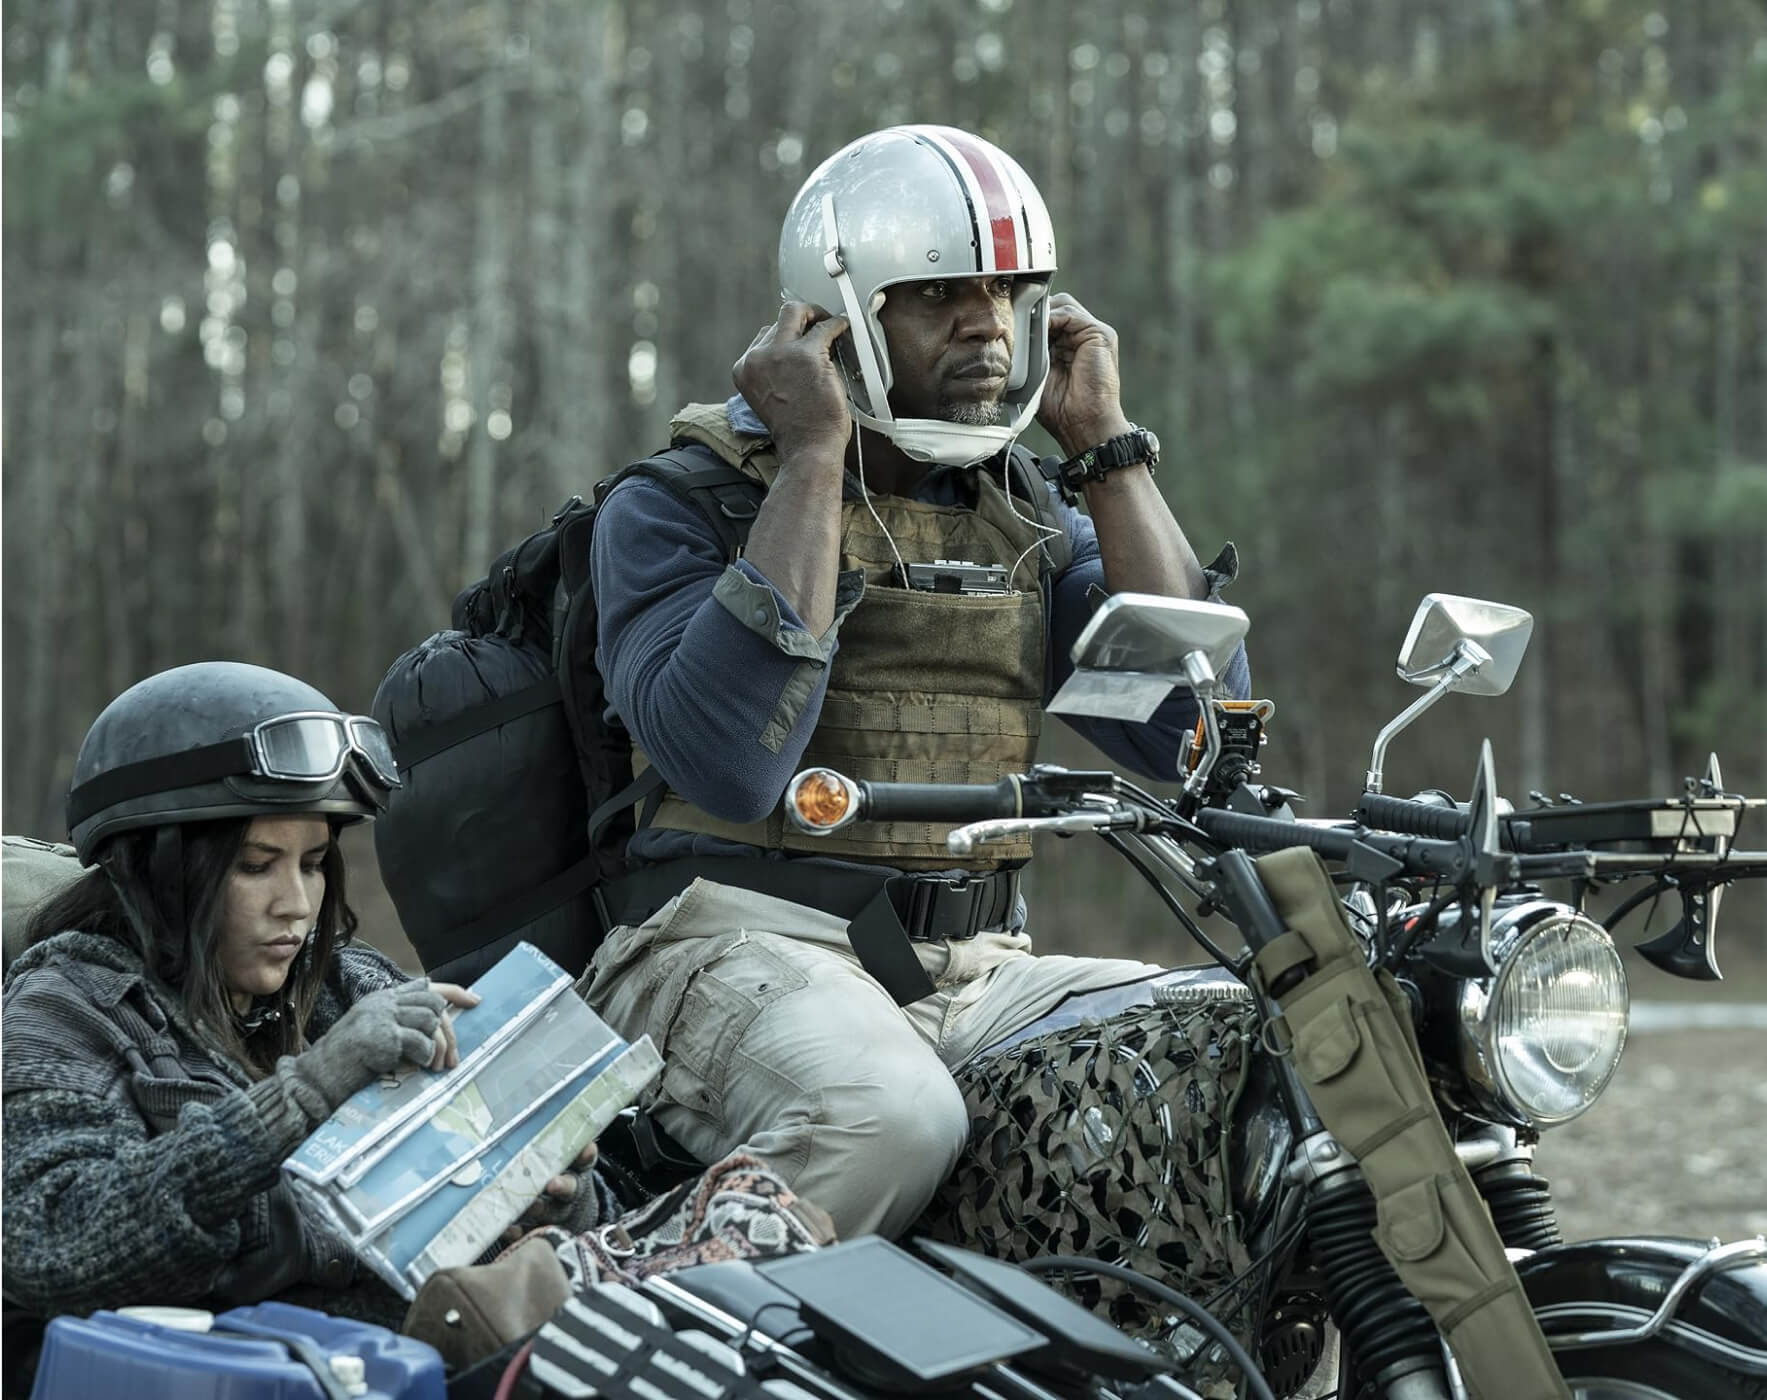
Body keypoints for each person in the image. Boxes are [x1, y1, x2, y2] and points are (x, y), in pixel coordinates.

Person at [582, 124, 1251, 1239]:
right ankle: (598, 1303)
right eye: (940, 290)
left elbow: (1195, 732)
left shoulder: (1031, 509)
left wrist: (1106, 443)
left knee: (1230, 1046)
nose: (988, 322)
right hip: (724, 946)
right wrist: (810, 457)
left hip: (981, 963)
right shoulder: (678, 502)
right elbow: (731, 762)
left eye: (1008, 292)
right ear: (841, 318)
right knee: (887, 1114)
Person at [1, 662, 612, 1363]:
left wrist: (549, 1195)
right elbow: (50, 1242)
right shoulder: (66, 1011)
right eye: (256, 866)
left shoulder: (349, 986)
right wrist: (310, 1090)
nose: (295, 903)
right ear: (159, 869)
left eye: (314, 863)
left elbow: (560, 1218)